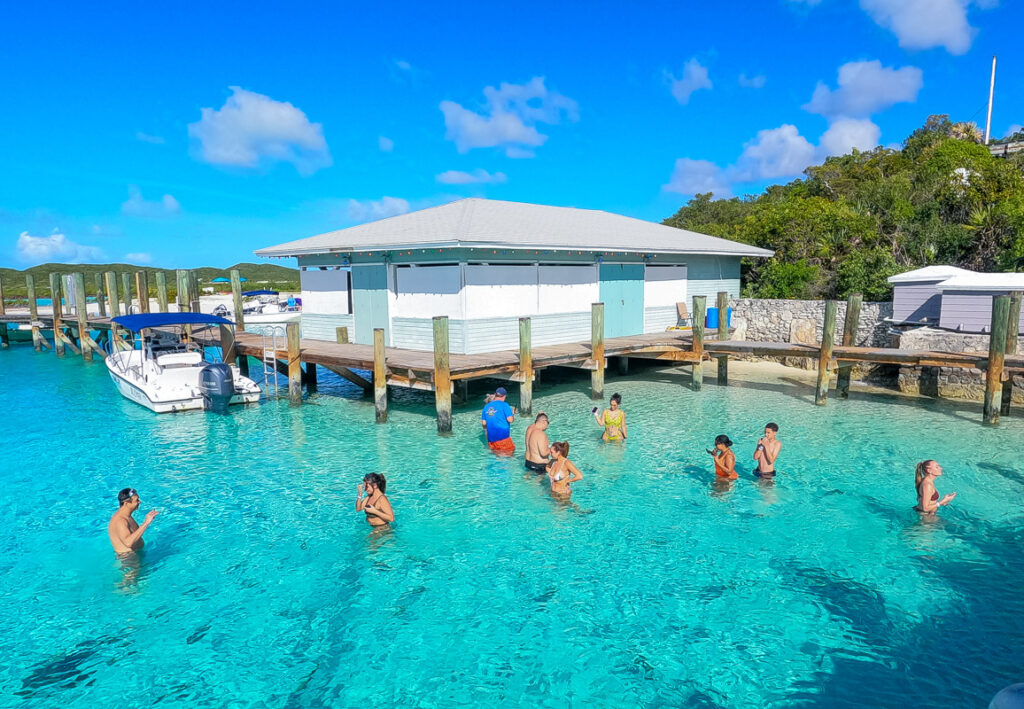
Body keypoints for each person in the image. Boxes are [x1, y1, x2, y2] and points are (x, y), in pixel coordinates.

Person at [107, 488, 158, 555]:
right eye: (137, 500)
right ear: (126, 503)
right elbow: (128, 543)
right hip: (130, 559)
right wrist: (146, 523)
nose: (139, 502)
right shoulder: (121, 521)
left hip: (134, 554)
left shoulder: (125, 516)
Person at [481, 387, 516, 454]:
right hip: (503, 438)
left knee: (497, 456)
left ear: (495, 394)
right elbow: (510, 420)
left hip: (491, 440)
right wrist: (513, 414)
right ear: (504, 396)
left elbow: (484, 424)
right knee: (510, 455)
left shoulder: (486, 406)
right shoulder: (505, 405)